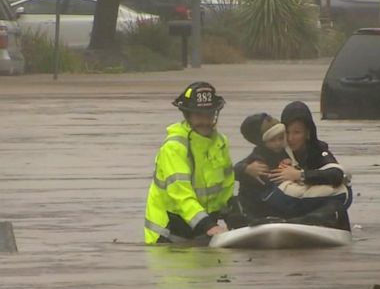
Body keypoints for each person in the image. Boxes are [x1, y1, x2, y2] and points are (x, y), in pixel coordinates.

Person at [236, 101, 352, 230]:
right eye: (287, 132)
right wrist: (246, 169)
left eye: (297, 132)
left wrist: (300, 175)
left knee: (340, 196)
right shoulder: (276, 148)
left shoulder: (318, 151)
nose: (291, 139)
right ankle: (253, 220)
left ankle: (314, 221)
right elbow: (240, 167)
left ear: (307, 132)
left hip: (309, 205)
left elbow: (336, 175)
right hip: (279, 207)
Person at [144, 82, 235, 244]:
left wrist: (234, 215)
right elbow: (181, 195)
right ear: (187, 116)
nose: (205, 121)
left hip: (202, 230)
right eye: (199, 116)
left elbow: (226, 188)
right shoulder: (174, 147)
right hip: (167, 235)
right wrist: (207, 224)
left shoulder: (220, 142)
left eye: (210, 115)